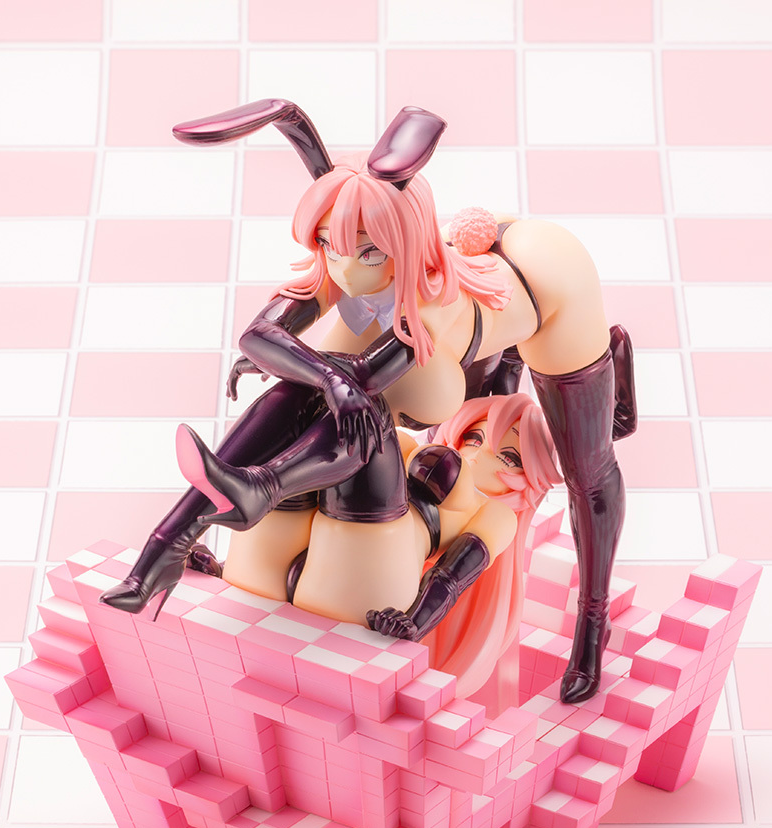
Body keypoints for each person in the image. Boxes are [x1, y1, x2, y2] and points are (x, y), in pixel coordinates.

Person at [101, 99, 635, 705]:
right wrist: (307, 370)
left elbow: (356, 378)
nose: (346, 270)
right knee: (299, 390)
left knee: (588, 471)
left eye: (368, 254)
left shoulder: (430, 304)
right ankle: (170, 541)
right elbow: (258, 334)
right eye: (329, 245)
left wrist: (304, 363)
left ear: (398, 246)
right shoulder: (347, 253)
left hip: (551, 286)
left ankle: (593, 625)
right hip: (413, 396)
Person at [179, 393, 561, 701]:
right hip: (286, 570)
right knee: (314, 418)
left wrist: (415, 624)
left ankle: (253, 487)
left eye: (508, 457)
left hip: (372, 572)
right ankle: (250, 486)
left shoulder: (495, 515)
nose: (478, 454)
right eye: (475, 437)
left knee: (367, 423)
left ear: (531, 478)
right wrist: (222, 570)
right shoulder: (408, 446)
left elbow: (452, 577)